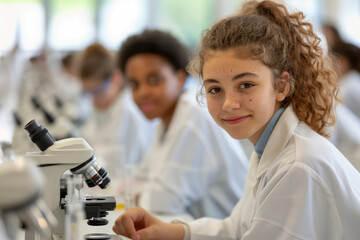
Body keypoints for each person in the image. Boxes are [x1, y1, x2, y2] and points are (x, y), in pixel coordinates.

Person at [112, 1, 360, 240]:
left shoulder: (296, 166)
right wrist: (173, 231)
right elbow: (238, 229)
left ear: (281, 85)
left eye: (246, 85)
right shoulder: (267, 147)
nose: (229, 104)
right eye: (215, 89)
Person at [116, 29, 249, 219]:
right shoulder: (166, 120)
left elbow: (164, 201)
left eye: (154, 80)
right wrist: (136, 191)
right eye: (135, 84)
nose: (143, 92)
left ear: (179, 78)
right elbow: (139, 177)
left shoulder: (192, 117)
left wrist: (136, 193)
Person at [77, 43, 156, 180]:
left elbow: (133, 172)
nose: (94, 100)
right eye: (89, 93)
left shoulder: (131, 114)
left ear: (116, 79)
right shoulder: (98, 113)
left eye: (98, 91)